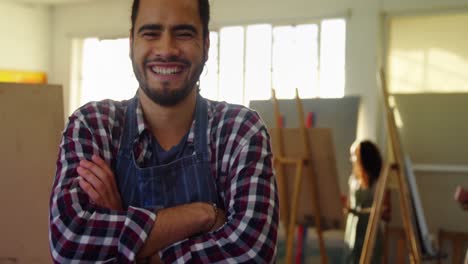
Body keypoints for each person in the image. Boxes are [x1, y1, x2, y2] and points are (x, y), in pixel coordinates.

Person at [48, 0, 279, 262]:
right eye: (151, 33)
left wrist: (125, 238)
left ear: (205, 44)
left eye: (183, 33)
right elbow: (69, 242)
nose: (167, 49)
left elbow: (251, 252)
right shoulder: (93, 125)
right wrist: (203, 215)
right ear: (131, 43)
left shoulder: (239, 130)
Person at [343, 140, 383, 264]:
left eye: (355, 157)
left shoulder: (379, 182)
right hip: (353, 230)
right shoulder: (353, 181)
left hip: (370, 233)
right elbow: (350, 204)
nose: (353, 160)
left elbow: (385, 212)